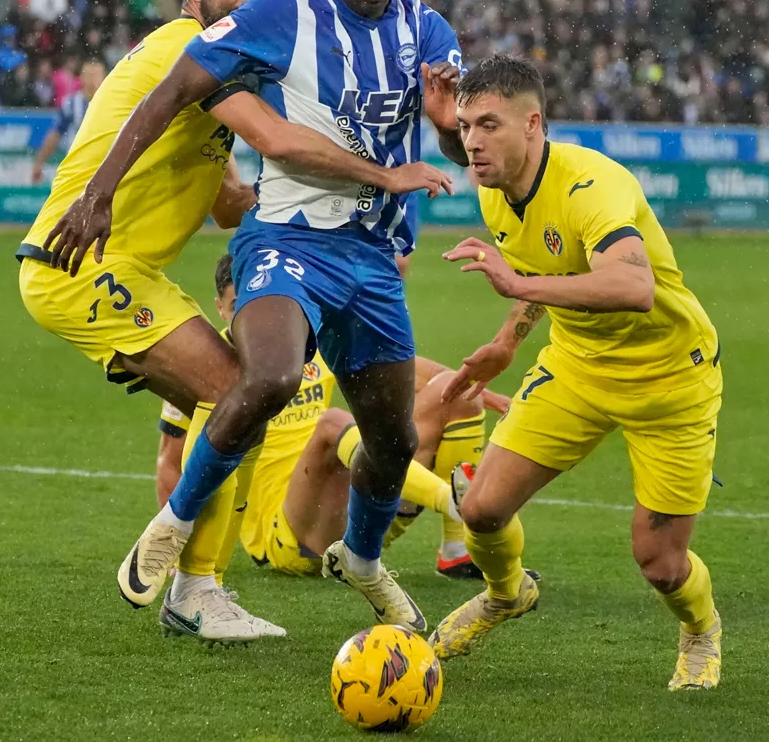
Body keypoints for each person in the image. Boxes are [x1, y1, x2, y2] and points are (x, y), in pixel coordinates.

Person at [43, 0, 466, 635]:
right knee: (264, 377)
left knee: (393, 438)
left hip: (367, 256)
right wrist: (97, 192)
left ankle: (361, 560)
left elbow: (463, 150)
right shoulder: (283, 14)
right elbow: (228, 115)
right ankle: (175, 537)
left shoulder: (424, 28)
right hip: (288, 240)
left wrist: (445, 129)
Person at [429, 55, 724, 692]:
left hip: (669, 378)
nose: (473, 142)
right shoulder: (494, 191)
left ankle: (700, 629)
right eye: (465, 126)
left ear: (533, 124)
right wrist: (508, 339)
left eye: (488, 125)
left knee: (661, 563)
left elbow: (633, 284)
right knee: (480, 508)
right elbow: (545, 271)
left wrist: (515, 283)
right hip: (579, 366)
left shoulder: (593, 185)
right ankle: (507, 595)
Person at [154, 256, 506, 614]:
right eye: (236, 306)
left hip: (354, 516)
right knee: (333, 424)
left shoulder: (301, 342)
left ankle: (457, 551)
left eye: (256, 303)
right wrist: (175, 550)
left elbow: (410, 370)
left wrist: (480, 391)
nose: (251, 317)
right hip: (289, 537)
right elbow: (171, 462)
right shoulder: (207, 367)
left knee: (453, 390)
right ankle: (458, 502)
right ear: (220, 309)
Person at [31, 59, 105, 185]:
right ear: (81, 78)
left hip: (103, 167)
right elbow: (56, 134)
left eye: (96, 75)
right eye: (89, 75)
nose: (93, 80)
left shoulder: (110, 102)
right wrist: (40, 162)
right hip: (77, 167)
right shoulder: (71, 103)